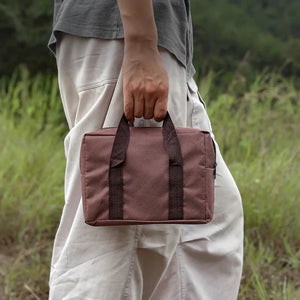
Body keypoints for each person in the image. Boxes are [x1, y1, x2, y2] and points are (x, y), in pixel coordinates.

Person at [47, 0, 244, 299]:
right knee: (119, 243)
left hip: (145, 38)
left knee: (205, 228)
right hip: (127, 37)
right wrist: (140, 44)